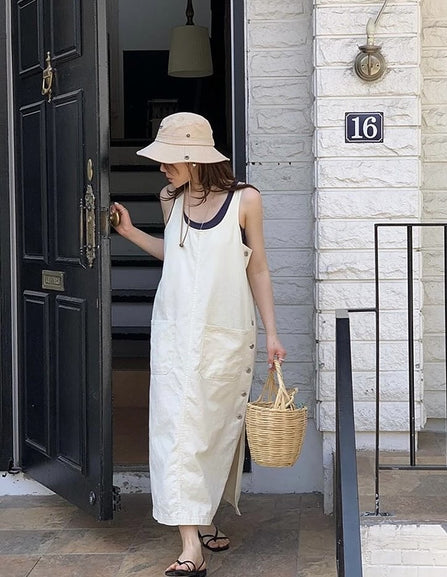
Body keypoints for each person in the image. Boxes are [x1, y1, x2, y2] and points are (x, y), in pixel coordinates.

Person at [111, 112, 286, 577]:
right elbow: (178, 254)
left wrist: (272, 333)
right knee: (177, 434)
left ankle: (204, 516)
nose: (162, 168)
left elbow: (259, 268)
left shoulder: (246, 201)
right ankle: (191, 545)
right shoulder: (171, 199)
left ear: (193, 159)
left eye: (170, 160)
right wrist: (129, 232)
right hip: (175, 334)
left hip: (226, 332)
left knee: (215, 430)